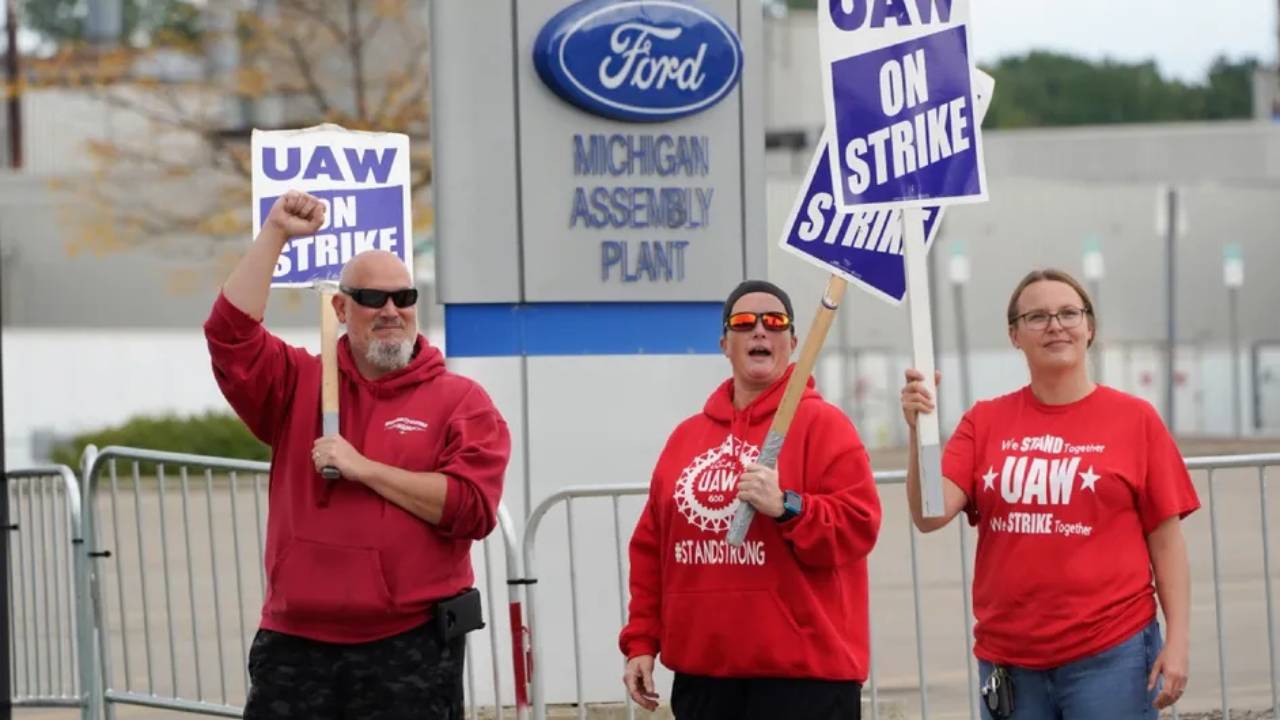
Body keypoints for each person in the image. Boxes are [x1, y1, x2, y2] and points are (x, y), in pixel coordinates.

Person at [204, 190, 511, 719]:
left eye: (405, 297)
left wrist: (363, 468)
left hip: (410, 644)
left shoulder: (461, 401)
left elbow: (471, 508)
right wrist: (275, 232)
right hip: (295, 641)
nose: (392, 311)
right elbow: (230, 336)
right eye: (372, 299)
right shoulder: (298, 382)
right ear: (341, 308)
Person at [900, 268, 1199, 719]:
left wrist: (1177, 642)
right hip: (1010, 662)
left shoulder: (1135, 420)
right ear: (1014, 335)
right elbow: (929, 514)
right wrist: (917, 433)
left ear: (1089, 327)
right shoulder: (984, 422)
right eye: (1037, 316)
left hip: (1111, 654)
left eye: (1068, 313)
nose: (1055, 325)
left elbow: (1166, 541)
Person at [619, 279, 882, 720]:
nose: (760, 330)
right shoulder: (686, 438)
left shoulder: (825, 426)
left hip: (803, 681)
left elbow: (859, 527)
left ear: (793, 342)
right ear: (725, 343)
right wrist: (642, 641)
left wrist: (788, 506)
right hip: (706, 680)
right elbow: (651, 548)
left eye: (774, 322)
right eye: (744, 322)